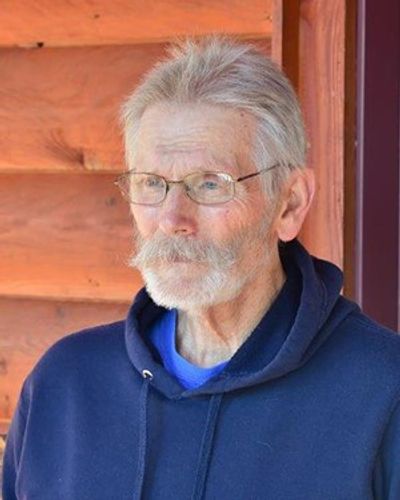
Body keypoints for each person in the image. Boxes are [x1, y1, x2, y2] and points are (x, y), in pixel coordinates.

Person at [2, 36, 400, 500]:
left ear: (290, 203)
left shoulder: (382, 391)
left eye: (210, 184)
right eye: (152, 183)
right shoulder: (65, 385)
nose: (173, 219)